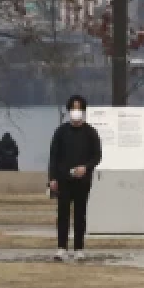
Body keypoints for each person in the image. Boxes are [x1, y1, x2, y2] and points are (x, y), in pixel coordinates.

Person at [47, 96, 102, 262]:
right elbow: (53, 156)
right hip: (63, 180)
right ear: (69, 111)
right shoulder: (61, 132)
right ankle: (61, 248)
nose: (76, 112)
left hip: (82, 181)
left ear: (83, 111)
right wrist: (52, 178)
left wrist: (86, 167)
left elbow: (97, 156)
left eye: (79, 108)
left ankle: (79, 248)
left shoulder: (90, 132)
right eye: (73, 108)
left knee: (80, 214)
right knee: (62, 214)